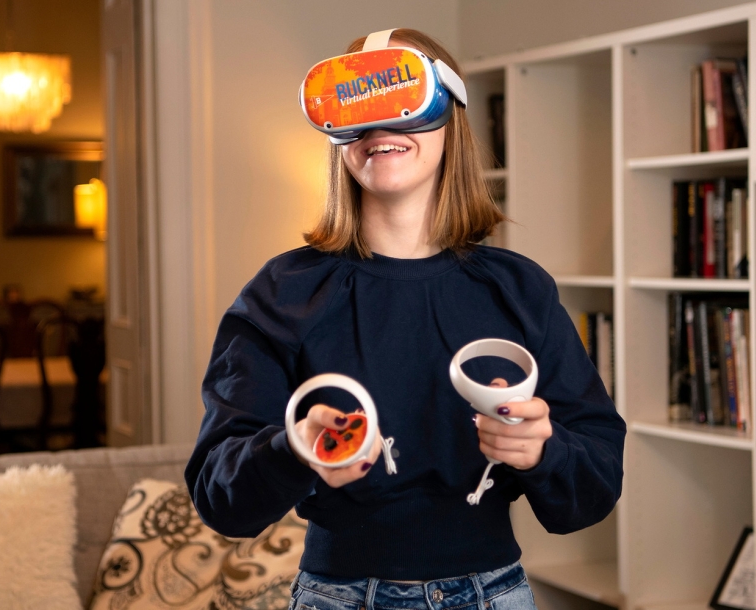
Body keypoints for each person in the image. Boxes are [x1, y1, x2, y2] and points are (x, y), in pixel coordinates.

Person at [185, 28, 625, 610]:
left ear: (450, 116)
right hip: (335, 594)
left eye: (403, 103)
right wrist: (293, 448)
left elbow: (594, 487)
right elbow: (221, 498)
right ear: (336, 133)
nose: (380, 130)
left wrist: (544, 451)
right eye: (357, 111)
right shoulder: (281, 293)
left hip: (494, 593)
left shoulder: (520, 289)